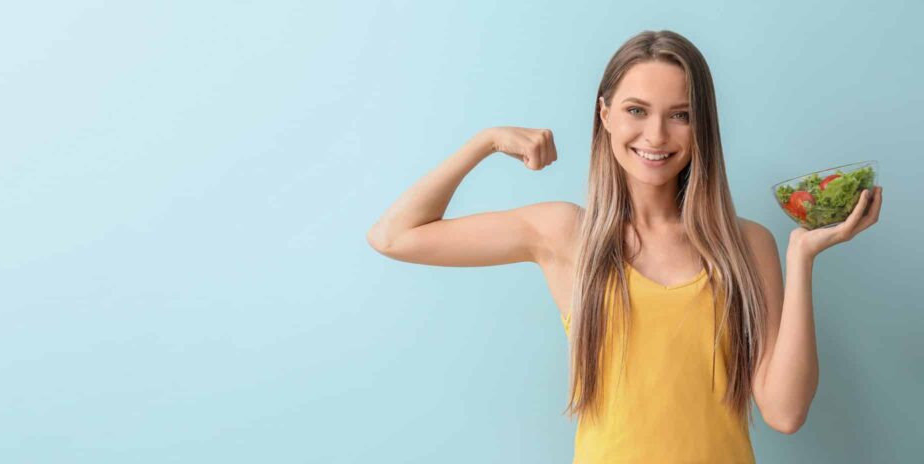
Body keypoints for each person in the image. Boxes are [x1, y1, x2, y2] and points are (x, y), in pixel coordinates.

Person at [365, 29, 882, 463]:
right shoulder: (566, 234)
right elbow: (393, 236)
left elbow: (784, 413)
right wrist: (485, 141)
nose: (656, 135)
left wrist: (802, 258)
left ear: (702, 126)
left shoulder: (747, 244)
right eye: (637, 110)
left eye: (680, 115)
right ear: (605, 114)